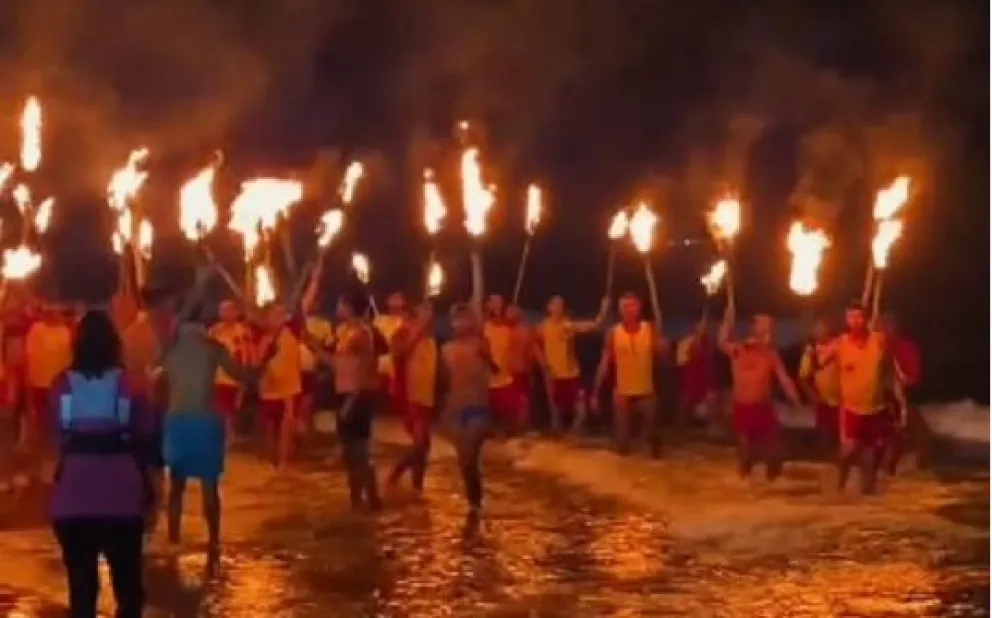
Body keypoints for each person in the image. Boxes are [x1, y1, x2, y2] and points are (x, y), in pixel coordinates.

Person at [49, 309, 157, 618]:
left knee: (81, 594)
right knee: (128, 590)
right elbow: (147, 431)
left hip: (72, 497)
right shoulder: (130, 384)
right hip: (120, 497)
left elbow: (55, 433)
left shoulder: (62, 385)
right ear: (114, 344)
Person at [159, 311, 250, 551]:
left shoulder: (169, 348)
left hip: (177, 421)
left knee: (176, 487)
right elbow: (241, 375)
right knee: (210, 486)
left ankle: (173, 543)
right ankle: (214, 543)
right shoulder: (213, 347)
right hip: (205, 422)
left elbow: (153, 376)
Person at [820, 303, 901, 494]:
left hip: (875, 407)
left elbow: (889, 367)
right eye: (851, 317)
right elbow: (820, 361)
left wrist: (898, 396)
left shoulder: (879, 340)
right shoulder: (841, 343)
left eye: (858, 317)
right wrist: (818, 352)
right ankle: (837, 484)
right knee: (848, 450)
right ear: (846, 320)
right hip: (851, 408)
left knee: (870, 453)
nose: (855, 321)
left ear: (865, 319)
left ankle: (867, 492)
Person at [718, 308, 802, 481]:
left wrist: (795, 400)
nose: (768, 328)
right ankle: (744, 488)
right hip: (742, 406)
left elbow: (784, 378)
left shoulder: (771, 354)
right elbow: (722, 342)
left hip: (763, 407)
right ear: (755, 327)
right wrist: (727, 321)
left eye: (770, 325)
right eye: (764, 324)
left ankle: (770, 490)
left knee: (775, 454)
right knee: (745, 453)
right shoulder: (738, 349)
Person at [440, 302, 496, 522]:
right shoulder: (445, 349)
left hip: (477, 407)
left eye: (465, 319)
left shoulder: (482, 345)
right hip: (455, 409)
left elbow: (494, 369)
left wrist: (487, 357)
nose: (461, 323)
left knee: (469, 456)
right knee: (465, 461)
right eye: (457, 319)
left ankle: (476, 504)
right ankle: (474, 504)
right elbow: (443, 382)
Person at [592, 293, 667, 456]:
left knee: (655, 440)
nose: (628, 310)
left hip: (646, 390)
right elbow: (605, 363)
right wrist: (596, 391)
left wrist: (661, 341)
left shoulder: (650, 329)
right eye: (624, 307)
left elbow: (663, 352)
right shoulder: (613, 333)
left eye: (632, 306)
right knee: (622, 445)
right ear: (620, 310)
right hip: (622, 393)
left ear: (639, 308)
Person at [329, 293, 382, 510]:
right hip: (345, 392)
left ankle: (371, 498)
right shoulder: (344, 332)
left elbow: (367, 367)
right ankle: (357, 500)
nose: (337, 307)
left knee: (359, 450)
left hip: (356, 396)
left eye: (341, 303)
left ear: (350, 307)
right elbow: (338, 364)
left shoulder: (360, 334)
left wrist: (353, 399)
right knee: (350, 452)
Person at [534, 295, 609, 434]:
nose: (558, 307)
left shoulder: (567, 325)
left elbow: (593, 326)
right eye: (555, 304)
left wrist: (603, 311)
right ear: (549, 307)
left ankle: (574, 435)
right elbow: (535, 346)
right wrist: (543, 365)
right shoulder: (542, 327)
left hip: (571, 373)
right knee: (555, 412)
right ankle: (557, 439)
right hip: (553, 375)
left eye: (561, 304)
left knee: (581, 411)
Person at [386, 301, 437, 492]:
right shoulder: (402, 332)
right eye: (425, 313)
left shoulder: (430, 339)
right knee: (420, 444)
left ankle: (417, 488)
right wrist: (417, 335)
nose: (429, 317)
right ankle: (394, 476)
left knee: (425, 446)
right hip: (409, 393)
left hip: (425, 396)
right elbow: (398, 354)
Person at [255, 303, 303, 468]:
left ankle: (284, 462)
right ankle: (271, 460)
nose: (278, 317)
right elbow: (257, 362)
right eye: (274, 314)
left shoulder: (293, 332)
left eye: (282, 314)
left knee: (286, 427)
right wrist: (266, 352)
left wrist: (314, 280)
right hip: (268, 389)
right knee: (269, 429)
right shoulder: (264, 338)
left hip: (289, 389)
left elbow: (304, 304)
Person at [25, 302, 74, 453]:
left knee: (58, 415)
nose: (52, 315)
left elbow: (69, 356)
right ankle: (43, 444)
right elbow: (29, 355)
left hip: (58, 383)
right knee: (42, 415)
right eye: (49, 312)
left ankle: (57, 443)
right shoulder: (36, 330)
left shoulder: (65, 331)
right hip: (39, 382)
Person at [880, 314, 925, 472]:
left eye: (889, 325)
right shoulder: (874, 346)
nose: (885, 329)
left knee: (909, 433)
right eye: (883, 325)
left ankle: (894, 465)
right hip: (874, 397)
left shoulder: (906, 347)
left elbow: (911, 377)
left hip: (898, 395)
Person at [208, 300, 251, 439]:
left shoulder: (242, 332)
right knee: (216, 412)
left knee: (229, 413)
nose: (225, 313)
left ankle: (228, 440)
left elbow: (245, 355)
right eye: (222, 310)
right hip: (216, 378)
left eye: (228, 310)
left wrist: (243, 380)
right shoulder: (214, 331)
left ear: (235, 312)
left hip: (232, 379)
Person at [798, 318, 842, 455]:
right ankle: (825, 459)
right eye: (817, 329)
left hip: (843, 399)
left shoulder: (840, 344)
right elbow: (802, 378)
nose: (819, 331)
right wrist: (813, 397)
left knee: (844, 436)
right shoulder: (810, 351)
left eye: (822, 328)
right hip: (823, 400)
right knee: (824, 433)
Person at [483, 294, 524, 436]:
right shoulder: (484, 328)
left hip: (506, 379)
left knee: (511, 414)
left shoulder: (508, 329)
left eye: (500, 302)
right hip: (488, 380)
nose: (497, 305)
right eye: (493, 301)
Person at [674, 316, 717, 430]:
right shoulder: (685, 342)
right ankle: (682, 429)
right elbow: (680, 362)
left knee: (709, 402)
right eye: (699, 326)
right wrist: (692, 350)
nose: (703, 329)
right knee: (686, 402)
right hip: (690, 378)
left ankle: (708, 428)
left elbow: (711, 359)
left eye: (704, 327)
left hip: (705, 378)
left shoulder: (709, 342)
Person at [374, 292, 408, 409]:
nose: (395, 302)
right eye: (392, 299)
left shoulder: (405, 321)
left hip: (396, 357)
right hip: (379, 356)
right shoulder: (380, 319)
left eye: (398, 299)